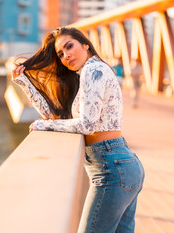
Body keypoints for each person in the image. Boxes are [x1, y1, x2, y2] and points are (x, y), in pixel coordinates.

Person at [12, 27, 145, 233]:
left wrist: (43, 125)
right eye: (60, 54)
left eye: (69, 46)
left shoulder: (93, 70)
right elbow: (53, 115)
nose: (66, 55)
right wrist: (24, 82)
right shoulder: (88, 73)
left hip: (111, 167)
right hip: (122, 163)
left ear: (85, 44)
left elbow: (87, 125)